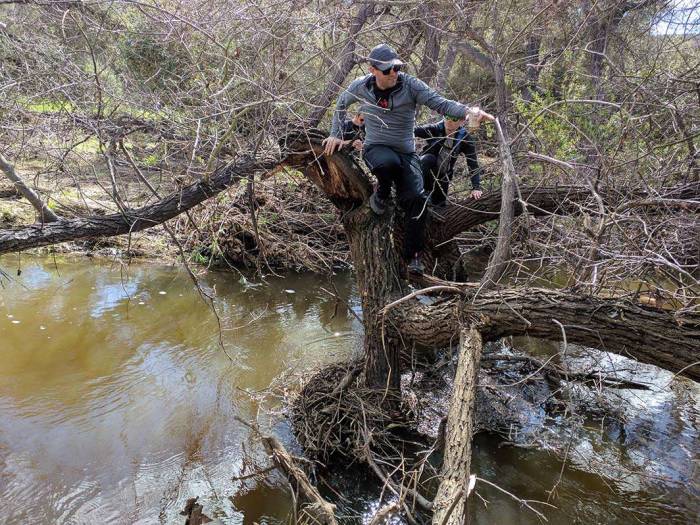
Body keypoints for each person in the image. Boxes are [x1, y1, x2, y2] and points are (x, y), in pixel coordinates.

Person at [323, 43, 494, 273]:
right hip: (377, 148)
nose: (393, 73)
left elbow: (440, 103)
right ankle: (382, 192)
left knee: (417, 198)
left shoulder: (410, 85)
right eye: (387, 70)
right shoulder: (361, 86)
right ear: (373, 70)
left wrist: (468, 111)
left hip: (406, 152)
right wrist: (335, 134)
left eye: (397, 68)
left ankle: (413, 256)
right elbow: (341, 104)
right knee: (387, 164)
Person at [415, 115, 485, 210]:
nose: (449, 122)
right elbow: (413, 130)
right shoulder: (435, 128)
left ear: (461, 121)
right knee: (427, 159)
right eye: (447, 117)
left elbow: (472, 164)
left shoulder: (464, 137)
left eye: (454, 119)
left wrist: (476, 187)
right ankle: (421, 193)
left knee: (439, 208)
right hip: (425, 171)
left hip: (443, 176)